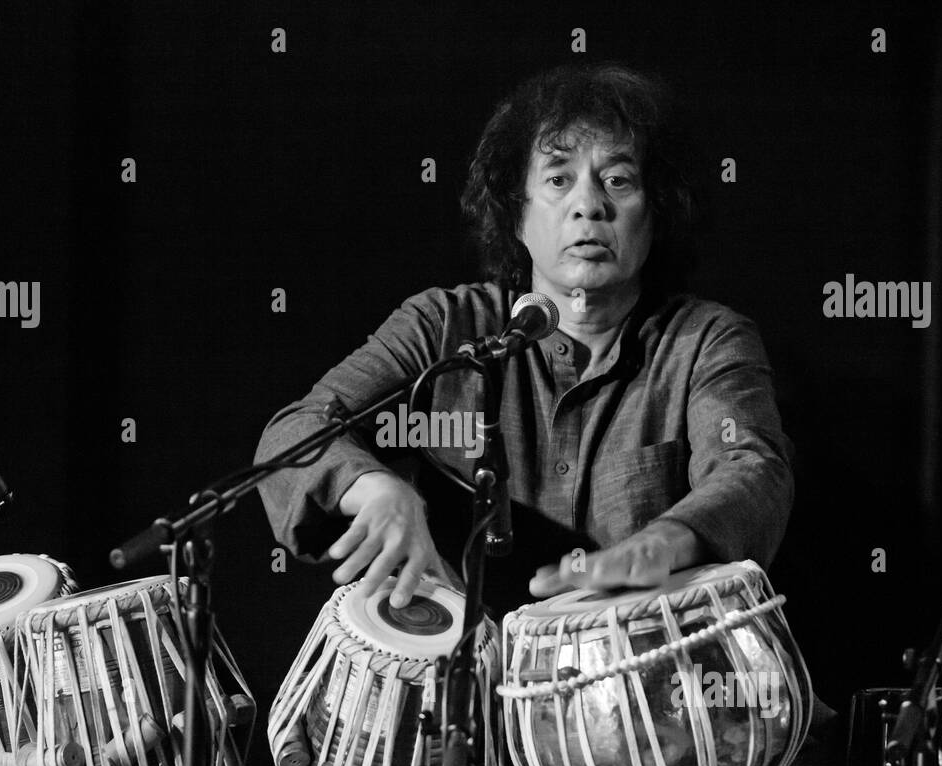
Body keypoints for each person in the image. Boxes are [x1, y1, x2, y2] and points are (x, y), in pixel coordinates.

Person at [256, 61, 794, 611]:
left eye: (618, 180)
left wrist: (664, 541)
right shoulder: (444, 326)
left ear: (656, 211)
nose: (589, 205)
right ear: (517, 215)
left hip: (634, 674)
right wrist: (378, 489)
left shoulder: (705, 340)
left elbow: (750, 467)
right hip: (467, 680)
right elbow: (296, 431)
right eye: (559, 179)